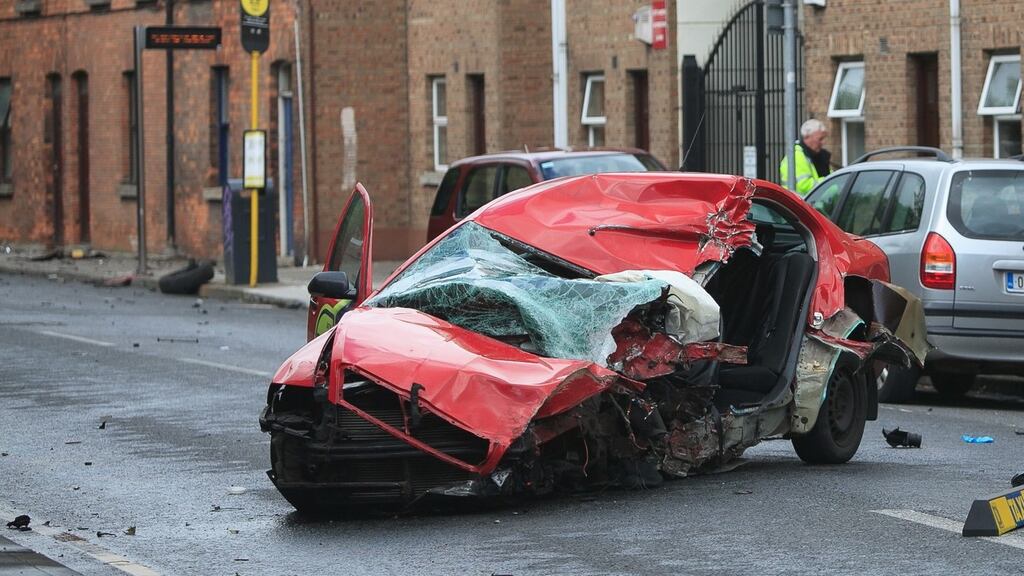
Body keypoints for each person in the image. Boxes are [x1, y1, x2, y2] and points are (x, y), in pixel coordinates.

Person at [779, 119, 832, 197]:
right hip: (800, 206)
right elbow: (805, 185)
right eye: (820, 139)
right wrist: (831, 181)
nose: (823, 142)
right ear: (807, 137)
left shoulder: (816, 155)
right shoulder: (797, 156)